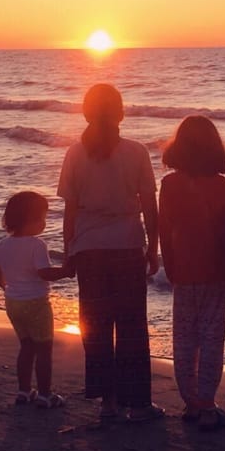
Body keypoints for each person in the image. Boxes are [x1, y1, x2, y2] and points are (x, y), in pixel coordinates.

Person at [57, 83, 163, 425]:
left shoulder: (75, 153)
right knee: (131, 326)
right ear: (121, 113)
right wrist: (154, 248)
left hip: (88, 247)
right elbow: (149, 205)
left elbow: (70, 210)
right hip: (127, 244)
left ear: (86, 113)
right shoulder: (136, 152)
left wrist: (67, 250)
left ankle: (108, 402)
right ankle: (138, 404)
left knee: (96, 325)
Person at [159, 115, 225, 430]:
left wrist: (169, 264)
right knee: (211, 339)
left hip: (183, 268)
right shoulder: (221, 186)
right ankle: (206, 404)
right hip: (213, 270)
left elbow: (164, 228)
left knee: (185, 339)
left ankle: (191, 401)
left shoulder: (169, 183)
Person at [0, 191, 73, 407]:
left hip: (13, 303)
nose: (44, 223)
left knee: (26, 346)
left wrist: (8, 288)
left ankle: (24, 391)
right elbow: (44, 273)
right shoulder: (37, 245)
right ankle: (46, 394)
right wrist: (66, 271)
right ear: (32, 219)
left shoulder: (3, 245)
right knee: (44, 350)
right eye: (43, 217)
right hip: (36, 303)